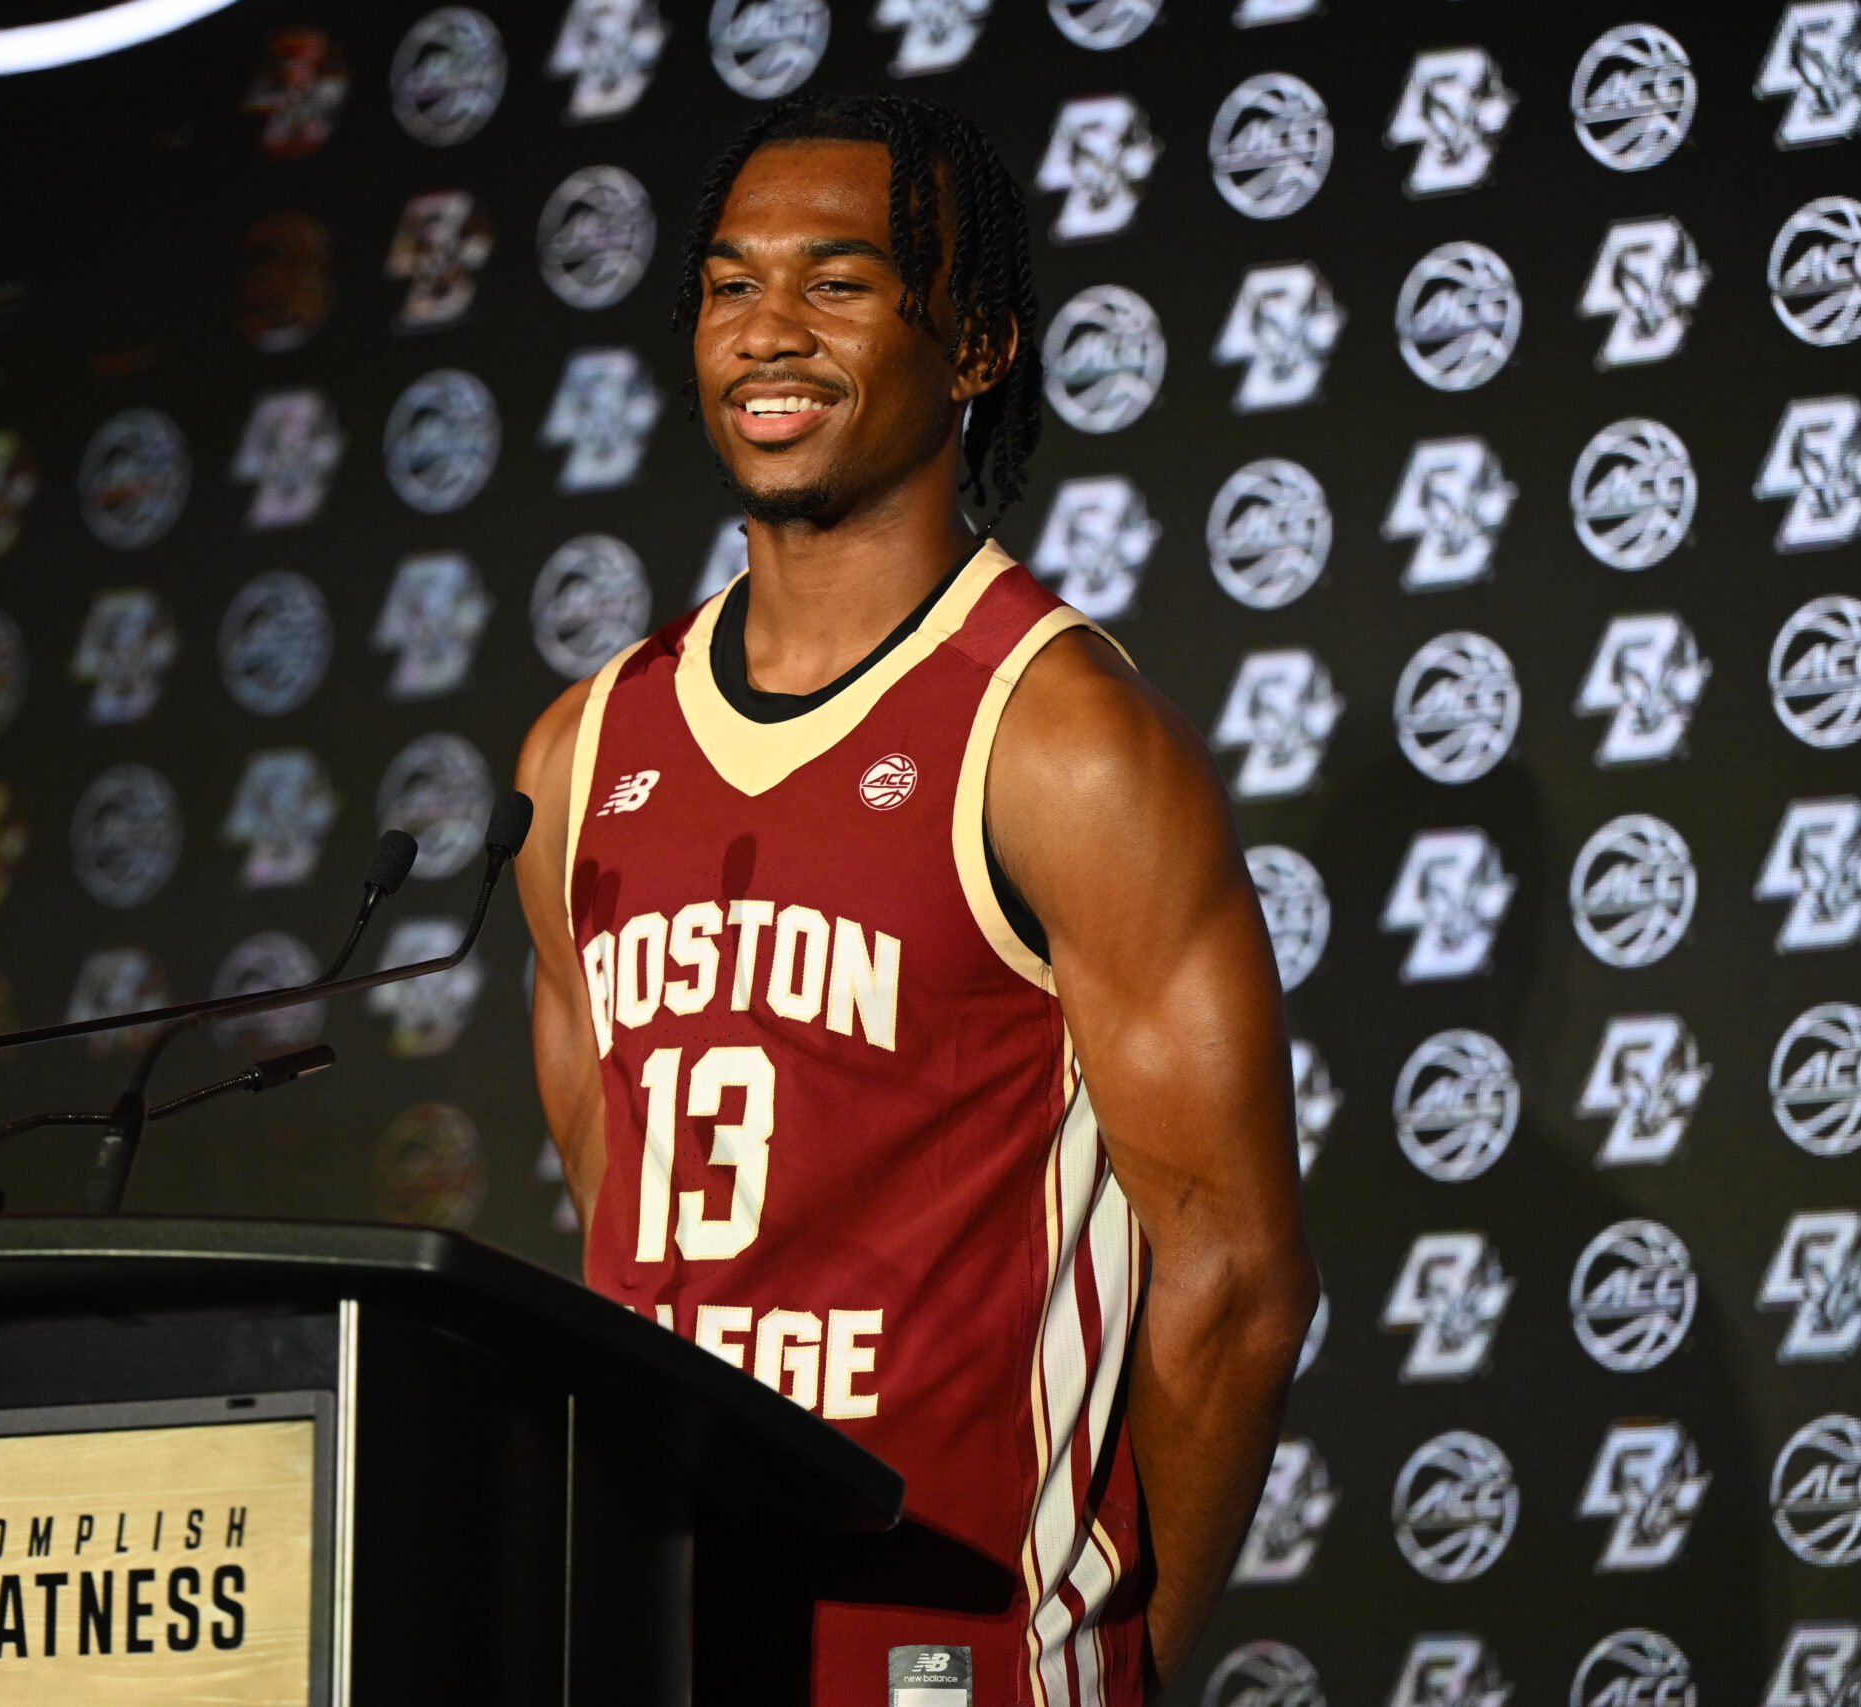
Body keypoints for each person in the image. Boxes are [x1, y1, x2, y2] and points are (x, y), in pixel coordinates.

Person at [513, 94, 1317, 1705]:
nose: (769, 333)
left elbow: (1233, 1282)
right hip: (658, 1639)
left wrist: (1103, 1656)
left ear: (976, 348)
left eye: (839, 283)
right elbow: (620, 1198)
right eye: (731, 287)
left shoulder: (1061, 739)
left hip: (957, 1654)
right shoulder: (585, 750)